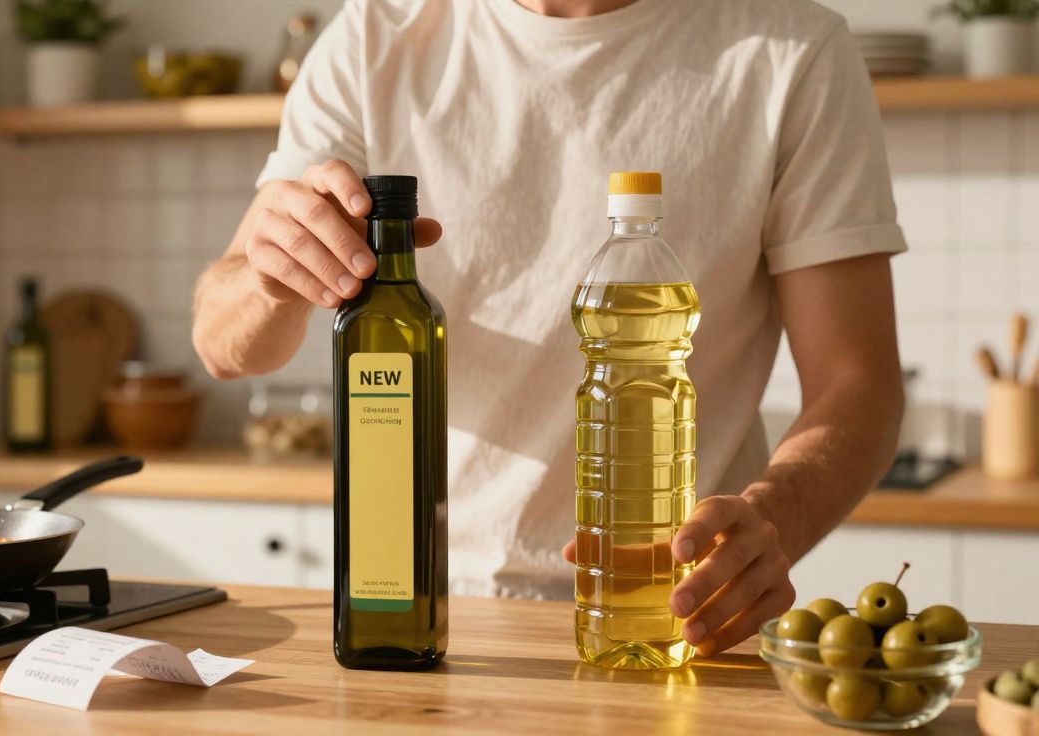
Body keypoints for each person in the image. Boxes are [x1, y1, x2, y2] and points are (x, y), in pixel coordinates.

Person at [191, 0, 905, 656]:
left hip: (672, 613)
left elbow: (858, 383)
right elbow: (221, 343)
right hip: (425, 607)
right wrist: (269, 278)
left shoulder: (791, 51)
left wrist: (769, 517)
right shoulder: (374, 40)